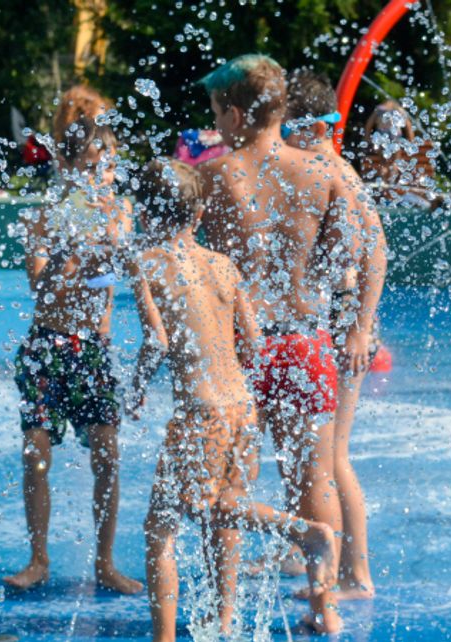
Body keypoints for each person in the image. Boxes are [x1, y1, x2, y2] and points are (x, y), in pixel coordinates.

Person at [131, 158, 338, 642]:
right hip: (243, 406)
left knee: (162, 525)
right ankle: (224, 622)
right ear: (199, 213)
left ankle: (305, 532)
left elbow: (157, 342)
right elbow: (254, 341)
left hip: (200, 411)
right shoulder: (224, 265)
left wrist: (137, 386)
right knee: (224, 509)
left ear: (144, 213)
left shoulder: (148, 263)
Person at [196, 53, 369, 634]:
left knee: (228, 483)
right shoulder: (326, 174)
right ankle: (326, 604)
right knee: (312, 476)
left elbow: (188, 260)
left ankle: (223, 612)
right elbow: (351, 257)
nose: (214, 125)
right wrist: (355, 322)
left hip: (238, 351)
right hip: (303, 341)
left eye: (218, 112)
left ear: (239, 113)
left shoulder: (217, 177)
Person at [5, 90, 147, 595]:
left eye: (106, 168)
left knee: (107, 452)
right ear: (64, 166)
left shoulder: (119, 214)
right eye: (89, 168)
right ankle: (38, 557)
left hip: (91, 349)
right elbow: (39, 288)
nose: (99, 177)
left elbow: (129, 271)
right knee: (35, 450)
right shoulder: (43, 219)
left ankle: (105, 563)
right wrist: (68, 253)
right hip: (47, 344)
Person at [282, 68, 388, 601]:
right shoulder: (318, 167)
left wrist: (360, 328)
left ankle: (356, 577)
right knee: (307, 454)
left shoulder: (336, 172)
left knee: (333, 457)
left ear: (302, 124)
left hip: (345, 329)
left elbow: (376, 254)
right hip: (329, 325)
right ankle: (305, 554)